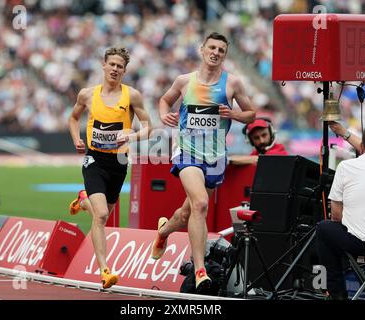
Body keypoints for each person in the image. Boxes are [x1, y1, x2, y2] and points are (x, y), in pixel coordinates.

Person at [150, 32, 256, 293]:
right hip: (187, 152)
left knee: (188, 213)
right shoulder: (185, 81)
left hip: (215, 157)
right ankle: (200, 269)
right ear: (202, 49)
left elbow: (251, 114)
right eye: (212, 47)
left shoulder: (233, 84)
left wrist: (234, 114)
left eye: (221, 49)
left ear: (225, 54)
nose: (216, 52)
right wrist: (165, 116)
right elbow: (164, 100)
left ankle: (163, 231)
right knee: (200, 204)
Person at [68, 47, 152, 289]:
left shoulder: (132, 96)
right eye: (112, 64)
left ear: (125, 71)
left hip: (118, 163)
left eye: (120, 66)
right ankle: (105, 270)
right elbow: (73, 118)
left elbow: (149, 128)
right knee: (102, 215)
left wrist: (131, 136)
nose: (115, 69)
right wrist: (76, 138)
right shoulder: (87, 95)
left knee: (104, 210)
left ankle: (82, 200)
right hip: (94, 159)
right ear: (103, 66)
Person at [316, 125, 365, 300]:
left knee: (324, 228)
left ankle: (337, 295)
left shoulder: (346, 167)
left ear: (362, 148)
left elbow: (336, 216)